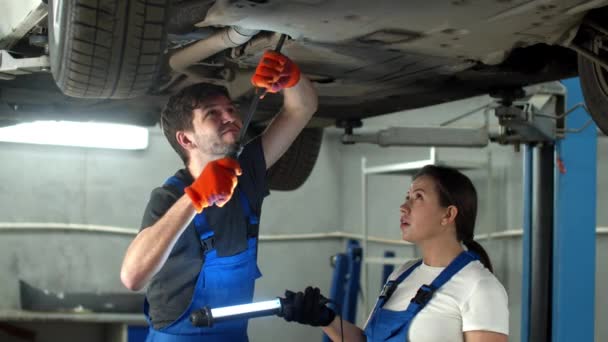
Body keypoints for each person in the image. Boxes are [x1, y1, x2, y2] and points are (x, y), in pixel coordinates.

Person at [120, 50, 318, 341]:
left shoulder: (246, 171)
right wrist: (195, 196)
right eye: (213, 113)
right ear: (186, 139)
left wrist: (292, 79)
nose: (230, 118)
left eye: (231, 109)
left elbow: (301, 109)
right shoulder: (169, 197)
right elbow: (132, 277)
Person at [280, 165, 509, 342]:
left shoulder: (479, 286)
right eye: (407, 196)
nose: (404, 206)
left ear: (448, 215)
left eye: (418, 197)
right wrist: (325, 319)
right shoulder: (402, 274)